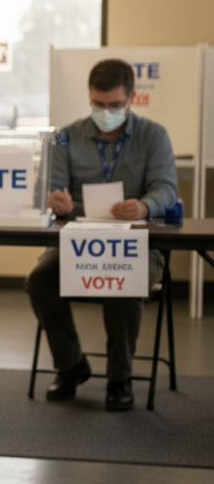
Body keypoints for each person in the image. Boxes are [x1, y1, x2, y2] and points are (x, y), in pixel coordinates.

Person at [26, 58, 178, 412]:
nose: (105, 112)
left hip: (139, 242)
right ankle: (71, 365)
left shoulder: (153, 135)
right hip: (78, 240)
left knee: (122, 279)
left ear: (131, 99)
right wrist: (56, 201)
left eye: (114, 106)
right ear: (89, 98)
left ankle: (119, 377)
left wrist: (143, 206)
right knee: (40, 281)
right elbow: (47, 190)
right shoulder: (66, 137)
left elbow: (166, 188)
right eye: (97, 104)